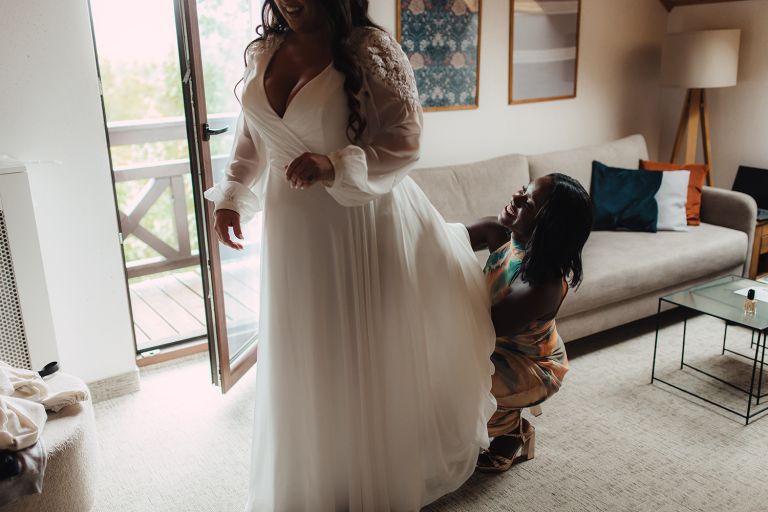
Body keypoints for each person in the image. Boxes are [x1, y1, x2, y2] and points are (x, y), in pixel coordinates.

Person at [203, 1, 496, 509]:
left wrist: (334, 164)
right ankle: (311, 479)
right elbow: (253, 135)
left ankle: (365, 479)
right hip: (292, 228)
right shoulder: (266, 50)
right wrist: (232, 195)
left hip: (355, 221)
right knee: (303, 347)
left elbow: (406, 141)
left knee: (355, 352)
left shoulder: (371, 49)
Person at [466, 173, 592, 473]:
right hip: (495, 344)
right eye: (524, 189)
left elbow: (481, 329)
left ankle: (512, 431)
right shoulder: (497, 231)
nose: (517, 197)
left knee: (456, 385)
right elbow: (438, 240)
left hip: (529, 365)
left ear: (546, 227)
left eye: (529, 203)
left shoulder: (542, 286)